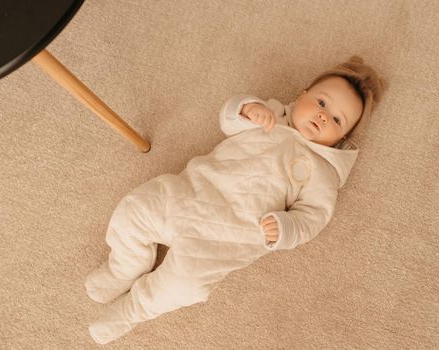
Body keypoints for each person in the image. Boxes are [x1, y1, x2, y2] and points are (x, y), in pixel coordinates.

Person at [84, 55, 387, 344]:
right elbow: (228, 120)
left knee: (183, 285)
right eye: (321, 102)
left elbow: (313, 218)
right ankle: (124, 266)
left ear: (340, 140)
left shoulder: (322, 172)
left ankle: (130, 312)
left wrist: (285, 228)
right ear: (303, 93)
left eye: (336, 119)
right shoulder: (273, 116)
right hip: (192, 192)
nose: (323, 115)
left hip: (227, 239)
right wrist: (247, 110)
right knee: (135, 210)